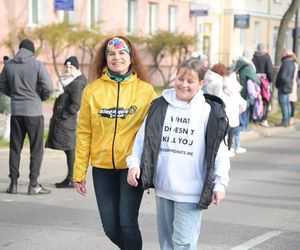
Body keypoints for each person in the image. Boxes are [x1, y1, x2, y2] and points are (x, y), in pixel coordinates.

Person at [127, 58, 230, 250]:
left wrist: (220, 184)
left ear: (201, 83)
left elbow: (219, 152)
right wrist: (134, 164)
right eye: (180, 79)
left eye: (190, 81)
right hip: (164, 188)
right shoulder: (160, 106)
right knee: (166, 244)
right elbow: (142, 139)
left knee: (183, 243)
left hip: (192, 191)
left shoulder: (209, 112)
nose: (184, 85)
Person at [73, 36, 157, 250]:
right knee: (110, 226)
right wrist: (79, 171)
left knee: (127, 224)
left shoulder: (145, 91)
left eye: (122, 53)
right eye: (111, 53)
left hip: (132, 168)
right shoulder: (92, 91)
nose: (116, 57)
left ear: (131, 58)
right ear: (105, 58)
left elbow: (153, 134)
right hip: (102, 168)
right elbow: (84, 133)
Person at [0, 39, 53, 195]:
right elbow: (48, 87)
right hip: (34, 113)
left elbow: (1, 85)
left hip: (16, 112)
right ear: (32, 51)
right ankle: (33, 185)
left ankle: (13, 184)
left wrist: (15, 95)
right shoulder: (37, 65)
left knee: (15, 148)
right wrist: (40, 98)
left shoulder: (9, 65)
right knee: (36, 149)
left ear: (20, 49)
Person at [45, 56, 87, 188]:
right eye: (66, 66)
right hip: (64, 122)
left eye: (71, 67)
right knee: (69, 150)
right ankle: (72, 177)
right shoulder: (66, 80)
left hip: (67, 122)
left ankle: (72, 178)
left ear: (76, 69)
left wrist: (63, 115)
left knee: (70, 150)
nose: (68, 69)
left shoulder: (76, 82)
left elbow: (76, 104)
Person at [203, 63, 247, 155]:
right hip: (216, 109)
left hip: (207, 106)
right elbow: (219, 98)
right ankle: (227, 150)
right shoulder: (218, 82)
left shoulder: (208, 79)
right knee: (225, 131)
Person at [252, 43, 274, 127]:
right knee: (266, 100)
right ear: (264, 49)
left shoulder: (254, 58)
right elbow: (270, 71)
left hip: (255, 82)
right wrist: (270, 80)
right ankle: (263, 119)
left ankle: (256, 118)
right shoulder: (266, 58)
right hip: (265, 83)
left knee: (257, 100)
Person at [275, 49, 296, 127]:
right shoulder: (292, 63)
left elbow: (282, 76)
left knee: (283, 103)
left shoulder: (286, 63)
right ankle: (287, 120)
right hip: (289, 85)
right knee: (287, 103)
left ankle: (285, 121)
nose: (281, 55)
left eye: (283, 53)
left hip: (283, 86)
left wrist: (279, 83)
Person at [0, 56, 11, 141]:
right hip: (8, 99)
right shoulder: (11, 72)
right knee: (8, 118)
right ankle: (6, 136)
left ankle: (6, 136)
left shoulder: (3, 72)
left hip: (2, 99)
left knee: (8, 118)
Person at [289, 52, 298, 125]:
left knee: (291, 101)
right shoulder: (295, 64)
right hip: (292, 83)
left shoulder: (293, 65)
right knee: (292, 100)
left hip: (291, 83)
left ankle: (291, 117)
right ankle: (291, 116)